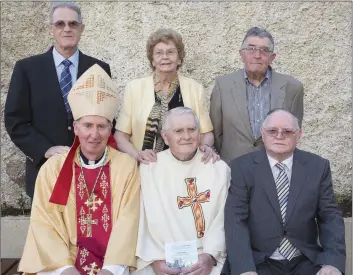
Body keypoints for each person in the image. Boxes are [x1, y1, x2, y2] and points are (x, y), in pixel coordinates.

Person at [18, 64, 140, 275]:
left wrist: (110, 270)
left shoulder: (126, 166)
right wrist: (65, 269)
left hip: (113, 261)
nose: (94, 134)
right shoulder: (54, 168)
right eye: (88, 125)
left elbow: (128, 221)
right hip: (63, 260)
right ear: (75, 128)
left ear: (110, 129)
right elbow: (44, 222)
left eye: (101, 126)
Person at [4, 2, 111, 198]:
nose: (67, 29)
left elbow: (106, 118)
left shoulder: (99, 68)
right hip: (45, 171)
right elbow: (15, 121)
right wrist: (45, 149)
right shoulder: (27, 69)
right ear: (50, 29)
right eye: (60, 24)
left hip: (91, 170)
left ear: (82, 28)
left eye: (73, 24)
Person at [224, 109, 346, 275]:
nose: (279, 136)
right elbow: (235, 220)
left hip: (305, 260)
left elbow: (330, 217)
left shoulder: (317, 167)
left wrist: (332, 263)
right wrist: (244, 269)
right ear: (263, 133)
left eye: (287, 131)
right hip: (258, 261)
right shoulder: (242, 168)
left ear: (299, 134)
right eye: (272, 131)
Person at [135, 107, 229, 275]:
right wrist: (154, 260)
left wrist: (210, 256)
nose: (187, 136)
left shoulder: (218, 169)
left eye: (192, 130)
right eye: (178, 131)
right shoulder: (150, 169)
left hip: (206, 258)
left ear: (199, 133)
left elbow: (223, 218)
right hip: (160, 258)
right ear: (165, 137)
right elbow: (141, 220)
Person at [115, 28, 218, 165]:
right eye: (159, 53)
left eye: (170, 52)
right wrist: (138, 156)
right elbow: (120, 136)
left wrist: (205, 147)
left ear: (179, 58)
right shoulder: (134, 88)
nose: (165, 57)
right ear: (152, 60)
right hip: (147, 166)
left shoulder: (195, 88)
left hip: (186, 165)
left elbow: (207, 134)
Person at [210, 27, 304, 165]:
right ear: (242, 54)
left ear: (272, 57)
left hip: (275, 167)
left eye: (264, 50)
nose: (257, 55)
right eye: (251, 48)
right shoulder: (223, 85)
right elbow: (216, 132)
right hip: (233, 167)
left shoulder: (292, 87)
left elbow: (292, 132)